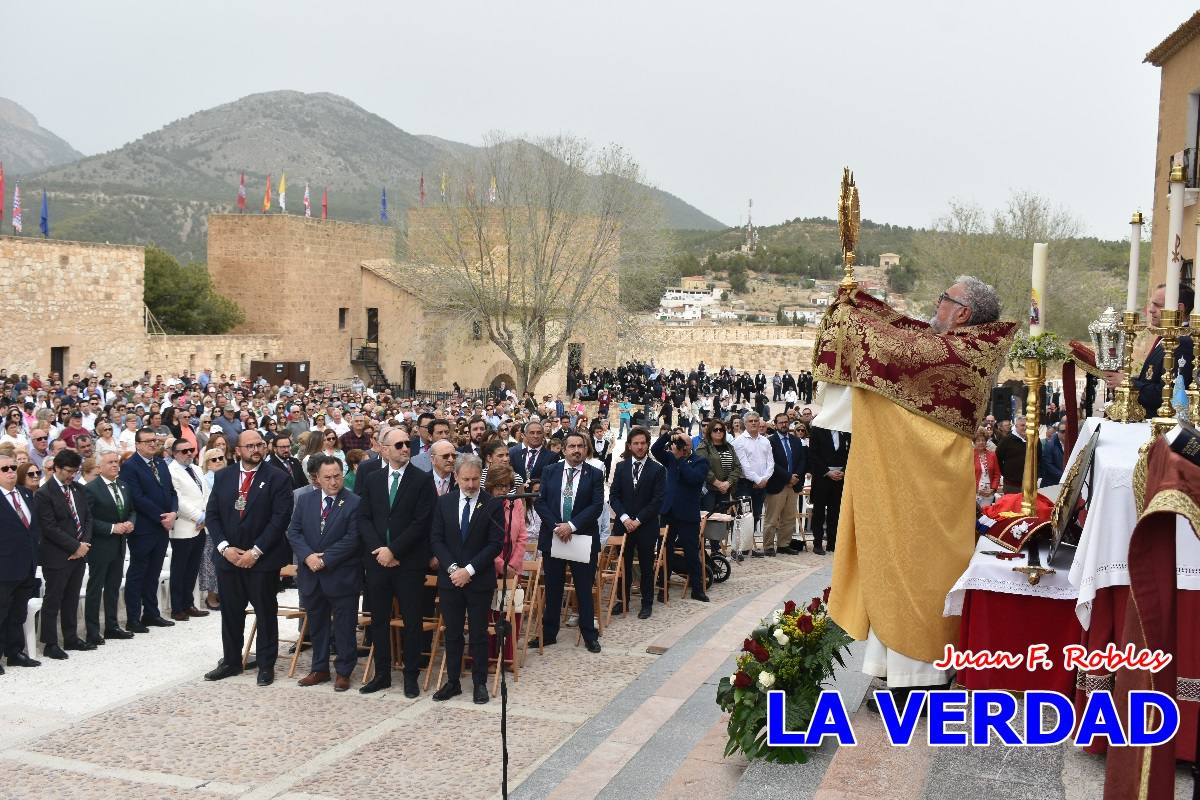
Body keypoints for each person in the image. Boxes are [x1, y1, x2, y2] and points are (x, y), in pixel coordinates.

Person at [814, 276, 1015, 702]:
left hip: (929, 491)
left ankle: (920, 683)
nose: (936, 305)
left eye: (944, 299)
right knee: (896, 573)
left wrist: (851, 315)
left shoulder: (964, 353)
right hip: (916, 486)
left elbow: (897, 348)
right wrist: (859, 301)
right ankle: (898, 676)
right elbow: (904, 330)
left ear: (962, 313)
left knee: (921, 580)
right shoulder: (955, 344)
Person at [203, 430, 295, 686]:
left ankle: (266, 665)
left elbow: (280, 519)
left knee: (265, 613)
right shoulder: (223, 476)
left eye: (260, 445)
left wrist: (255, 552)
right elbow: (212, 515)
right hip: (228, 559)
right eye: (250, 446)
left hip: (262, 560)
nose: (256, 449)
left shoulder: (278, 477)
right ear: (238, 451)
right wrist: (225, 548)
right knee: (231, 613)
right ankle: (231, 661)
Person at [358, 426, 436, 697]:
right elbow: (364, 517)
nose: (405, 448)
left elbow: (421, 522)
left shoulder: (422, 480)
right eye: (399, 445)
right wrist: (379, 550)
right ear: (384, 449)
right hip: (377, 562)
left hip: (408, 563)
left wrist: (394, 551)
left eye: (407, 444)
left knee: (412, 621)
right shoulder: (372, 479)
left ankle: (410, 675)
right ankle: (382, 674)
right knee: (379, 620)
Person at [430, 454, 504, 704]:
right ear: (456, 477)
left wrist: (469, 570)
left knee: (478, 633)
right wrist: (453, 569)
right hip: (450, 580)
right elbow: (436, 539)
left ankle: (479, 683)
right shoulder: (445, 502)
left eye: (474, 479)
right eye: (466, 479)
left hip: (478, 580)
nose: (471, 485)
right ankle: (453, 681)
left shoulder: (492, 504)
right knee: (452, 633)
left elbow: (495, 543)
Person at [287, 455, 363, 692]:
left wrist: (325, 559)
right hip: (311, 575)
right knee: (317, 624)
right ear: (317, 478)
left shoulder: (354, 502)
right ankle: (319, 668)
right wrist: (308, 556)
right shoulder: (305, 500)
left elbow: (353, 538)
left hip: (341, 575)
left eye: (337, 476)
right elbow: (293, 532)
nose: (333, 482)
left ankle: (343, 671)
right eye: (327, 477)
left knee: (344, 626)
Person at [534, 431, 604, 652]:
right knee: (553, 588)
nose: (576, 450)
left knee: (583, 589)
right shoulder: (550, 471)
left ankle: (589, 634)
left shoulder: (594, 474)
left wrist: (571, 526)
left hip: (581, 537)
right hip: (554, 536)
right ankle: (549, 633)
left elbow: (596, 506)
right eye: (572, 446)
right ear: (563, 449)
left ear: (586, 449)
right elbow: (540, 501)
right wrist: (557, 527)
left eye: (580, 446)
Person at [1102, 283, 1194, 420]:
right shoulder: (1165, 338)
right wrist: (1125, 379)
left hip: (1159, 423)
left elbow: (1170, 394)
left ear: (1179, 308)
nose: (1151, 310)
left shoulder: (1183, 343)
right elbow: (1152, 380)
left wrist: (1130, 384)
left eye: (1158, 305)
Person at [119, 427, 179, 631]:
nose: (153, 444)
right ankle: (133, 618)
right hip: (144, 528)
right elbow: (137, 498)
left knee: (154, 573)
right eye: (148, 441)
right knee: (138, 573)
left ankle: (151, 614)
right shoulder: (130, 466)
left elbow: (171, 492)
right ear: (137, 444)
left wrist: (173, 512)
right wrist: (162, 517)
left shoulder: (160, 463)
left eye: (155, 440)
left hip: (163, 527)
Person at [35, 449, 94, 658]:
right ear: (56, 468)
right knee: (53, 599)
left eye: (75, 471)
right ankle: (50, 643)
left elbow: (87, 518)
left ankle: (71, 637)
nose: (72, 475)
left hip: (79, 553)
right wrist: (74, 546)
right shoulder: (44, 493)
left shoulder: (78, 489)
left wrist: (83, 545)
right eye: (68, 471)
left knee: (71, 598)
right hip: (57, 555)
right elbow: (49, 527)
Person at [608, 426, 665, 619]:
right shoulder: (621, 467)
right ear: (629, 445)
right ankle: (622, 600)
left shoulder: (657, 469)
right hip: (623, 525)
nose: (640, 447)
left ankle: (646, 603)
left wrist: (638, 520)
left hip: (646, 526)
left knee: (646, 566)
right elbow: (614, 496)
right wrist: (625, 518)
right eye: (636, 443)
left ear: (647, 444)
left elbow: (657, 500)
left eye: (643, 443)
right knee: (623, 565)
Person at [83, 451, 136, 645]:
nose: (115, 465)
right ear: (99, 467)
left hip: (119, 544)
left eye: (116, 462)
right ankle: (92, 631)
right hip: (100, 545)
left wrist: (130, 522)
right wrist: (112, 528)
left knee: (113, 587)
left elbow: (131, 510)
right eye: (110, 462)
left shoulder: (123, 485)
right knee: (95, 589)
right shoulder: (91, 489)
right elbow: (88, 519)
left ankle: (112, 627)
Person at [651, 430, 710, 602]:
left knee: (691, 552)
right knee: (664, 552)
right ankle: (663, 588)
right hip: (668, 512)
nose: (679, 446)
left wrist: (681, 459)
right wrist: (668, 436)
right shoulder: (670, 458)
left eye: (683, 443)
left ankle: (697, 589)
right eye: (678, 443)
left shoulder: (700, 461)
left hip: (687, 513)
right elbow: (655, 449)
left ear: (689, 446)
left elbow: (693, 479)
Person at [0, 452, 41, 672]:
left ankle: (14, 651)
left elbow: (32, 529)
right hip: (4, 567)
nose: (10, 472)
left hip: (27, 565)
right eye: (4, 469)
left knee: (18, 612)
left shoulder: (25, 493)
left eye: (13, 468)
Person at [167, 437, 210, 621]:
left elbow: (206, 494)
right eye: (184, 451)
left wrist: (206, 515)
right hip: (184, 526)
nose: (189, 453)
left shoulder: (197, 469)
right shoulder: (171, 471)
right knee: (180, 569)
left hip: (201, 526)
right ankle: (177, 607)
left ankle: (188, 603)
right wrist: (199, 516)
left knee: (193, 568)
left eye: (191, 449)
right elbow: (178, 499)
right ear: (174, 454)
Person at [763, 413, 806, 556]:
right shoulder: (770, 441)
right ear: (775, 425)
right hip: (777, 485)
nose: (784, 425)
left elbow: (802, 460)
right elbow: (771, 463)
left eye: (786, 422)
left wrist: (795, 476)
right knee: (772, 518)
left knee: (789, 518)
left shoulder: (796, 441)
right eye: (781, 422)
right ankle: (768, 546)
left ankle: (783, 544)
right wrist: (788, 477)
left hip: (793, 485)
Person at [731, 412, 773, 557]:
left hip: (762, 483)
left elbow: (771, 463)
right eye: (750, 421)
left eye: (756, 420)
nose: (754, 423)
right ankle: (736, 549)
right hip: (744, 484)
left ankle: (747, 547)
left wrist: (764, 479)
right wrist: (758, 480)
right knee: (743, 517)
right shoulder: (739, 442)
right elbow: (744, 466)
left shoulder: (765, 441)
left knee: (755, 516)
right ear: (745, 424)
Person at [807, 425, 849, 555]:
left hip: (839, 478)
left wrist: (844, 471)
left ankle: (832, 542)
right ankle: (818, 543)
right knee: (819, 512)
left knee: (835, 511)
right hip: (822, 477)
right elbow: (813, 454)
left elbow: (850, 453)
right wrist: (827, 472)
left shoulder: (845, 431)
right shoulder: (818, 430)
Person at [995, 415, 1036, 495]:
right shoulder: (1007, 440)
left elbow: (1038, 459)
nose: (1025, 428)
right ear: (1016, 426)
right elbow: (997, 457)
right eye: (1022, 425)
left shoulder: (1034, 440)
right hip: (1011, 485)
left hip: (1029, 484)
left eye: (1027, 426)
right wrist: (1005, 473)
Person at [972, 425, 1000, 510]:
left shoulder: (992, 455)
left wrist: (992, 489)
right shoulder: (970, 455)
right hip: (974, 493)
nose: (981, 442)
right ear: (974, 442)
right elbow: (967, 476)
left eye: (983, 440)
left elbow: (997, 474)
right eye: (978, 440)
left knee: (986, 514)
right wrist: (976, 489)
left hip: (989, 494)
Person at [1039, 421, 1066, 487]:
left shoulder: (1071, 444)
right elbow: (1048, 465)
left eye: (1067, 431)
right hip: (1051, 483)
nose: (1065, 433)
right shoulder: (1050, 445)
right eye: (1062, 431)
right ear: (1058, 432)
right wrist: (1064, 476)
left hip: (1064, 482)